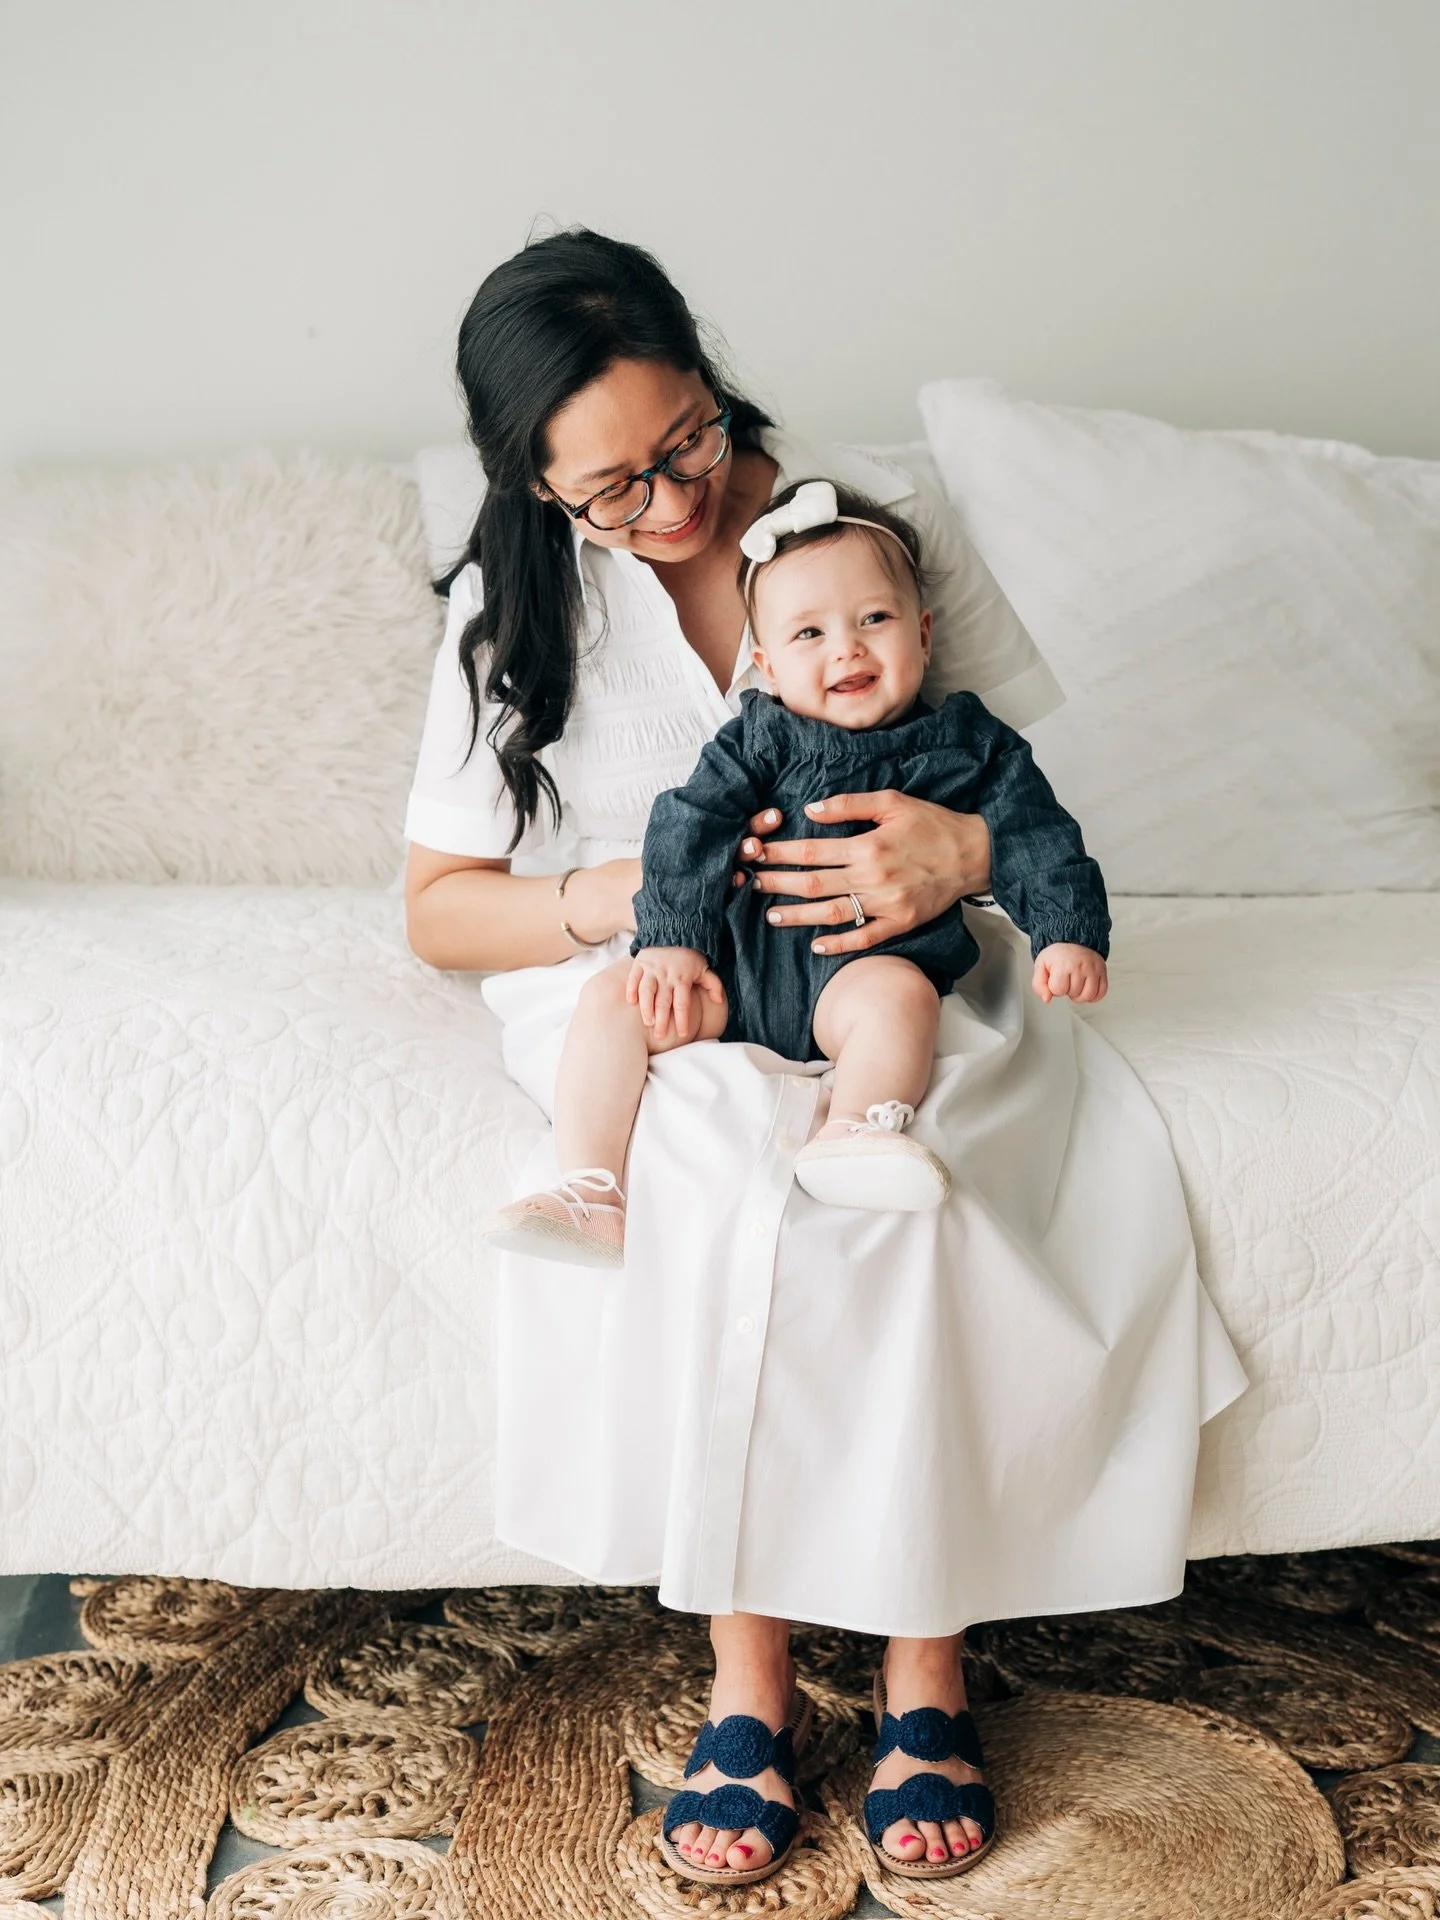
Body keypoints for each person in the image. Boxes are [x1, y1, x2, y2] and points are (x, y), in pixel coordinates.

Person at [404, 227, 1248, 1889]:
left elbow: (1021, 801)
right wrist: (632, 902)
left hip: (892, 974)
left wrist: (950, 860)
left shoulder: (865, 529)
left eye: (690, 444)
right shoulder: (513, 607)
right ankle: (751, 1679)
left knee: (910, 1184)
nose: (672, 505)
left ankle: (926, 1663)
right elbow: (438, 912)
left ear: (717, 387)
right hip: (668, 977)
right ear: (534, 488)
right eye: (613, 492)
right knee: (719, 1169)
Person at [481, 478, 1111, 1270]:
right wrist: (673, 943)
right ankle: (591, 1185)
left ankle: (853, 1131)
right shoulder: (757, 741)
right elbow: (688, 826)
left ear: (923, 633)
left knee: (902, 1000)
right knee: (615, 996)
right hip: (735, 972)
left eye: (874, 619)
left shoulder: (973, 743)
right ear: (767, 666)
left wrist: (1067, 932)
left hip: (863, 974)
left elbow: (1036, 834)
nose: (846, 647)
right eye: (808, 633)